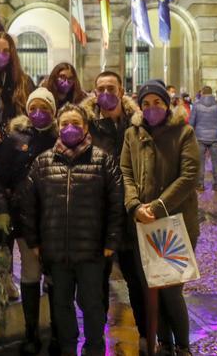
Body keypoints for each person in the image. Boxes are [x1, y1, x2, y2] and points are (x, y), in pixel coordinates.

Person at [23, 103, 122, 356]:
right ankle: (68, 348)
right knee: (61, 305)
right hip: (56, 251)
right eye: (65, 123)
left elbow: (115, 203)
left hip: (91, 251)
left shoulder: (102, 161)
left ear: (85, 127)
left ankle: (95, 348)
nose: (70, 128)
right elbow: (30, 205)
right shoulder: (42, 162)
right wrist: (34, 242)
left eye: (76, 124)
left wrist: (111, 241)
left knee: (93, 305)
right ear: (57, 127)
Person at [121, 80, 200, 355]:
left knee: (170, 289)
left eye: (157, 103)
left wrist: (156, 207)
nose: (152, 108)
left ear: (167, 105)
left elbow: (189, 176)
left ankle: (183, 345)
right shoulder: (133, 133)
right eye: (146, 103)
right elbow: (126, 172)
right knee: (150, 287)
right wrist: (133, 204)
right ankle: (164, 341)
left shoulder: (183, 132)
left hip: (174, 224)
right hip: (142, 224)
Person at [80, 70, 148, 343]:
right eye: (101, 88)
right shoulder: (86, 123)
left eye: (111, 87)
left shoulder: (137, 122)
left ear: (121, 90)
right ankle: (95, 340)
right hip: (100, 213)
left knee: (137, 279)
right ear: (94, 93)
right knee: (97, 283)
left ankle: (146, 335)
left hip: (131, 211)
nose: (106, 93)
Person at [0, 88, 61, 355]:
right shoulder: (15, 139)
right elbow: (0, 177)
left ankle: (58, 332)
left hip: (57, 219)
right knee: (30, 273)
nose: (39, 113)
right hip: (25, 218)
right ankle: (31, 332)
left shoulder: (60, 137)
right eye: (34, 107)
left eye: (45, 108)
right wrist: (3, 209)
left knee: (56, 277)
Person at [189, 86, 217, 192]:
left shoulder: (196, 106)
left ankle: (200, 184)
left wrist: (195, 134)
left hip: (199, 137)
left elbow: (191, 123)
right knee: (216, 161)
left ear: (202, 93)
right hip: (214, 138)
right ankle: (216, 184)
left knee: (200, 162)